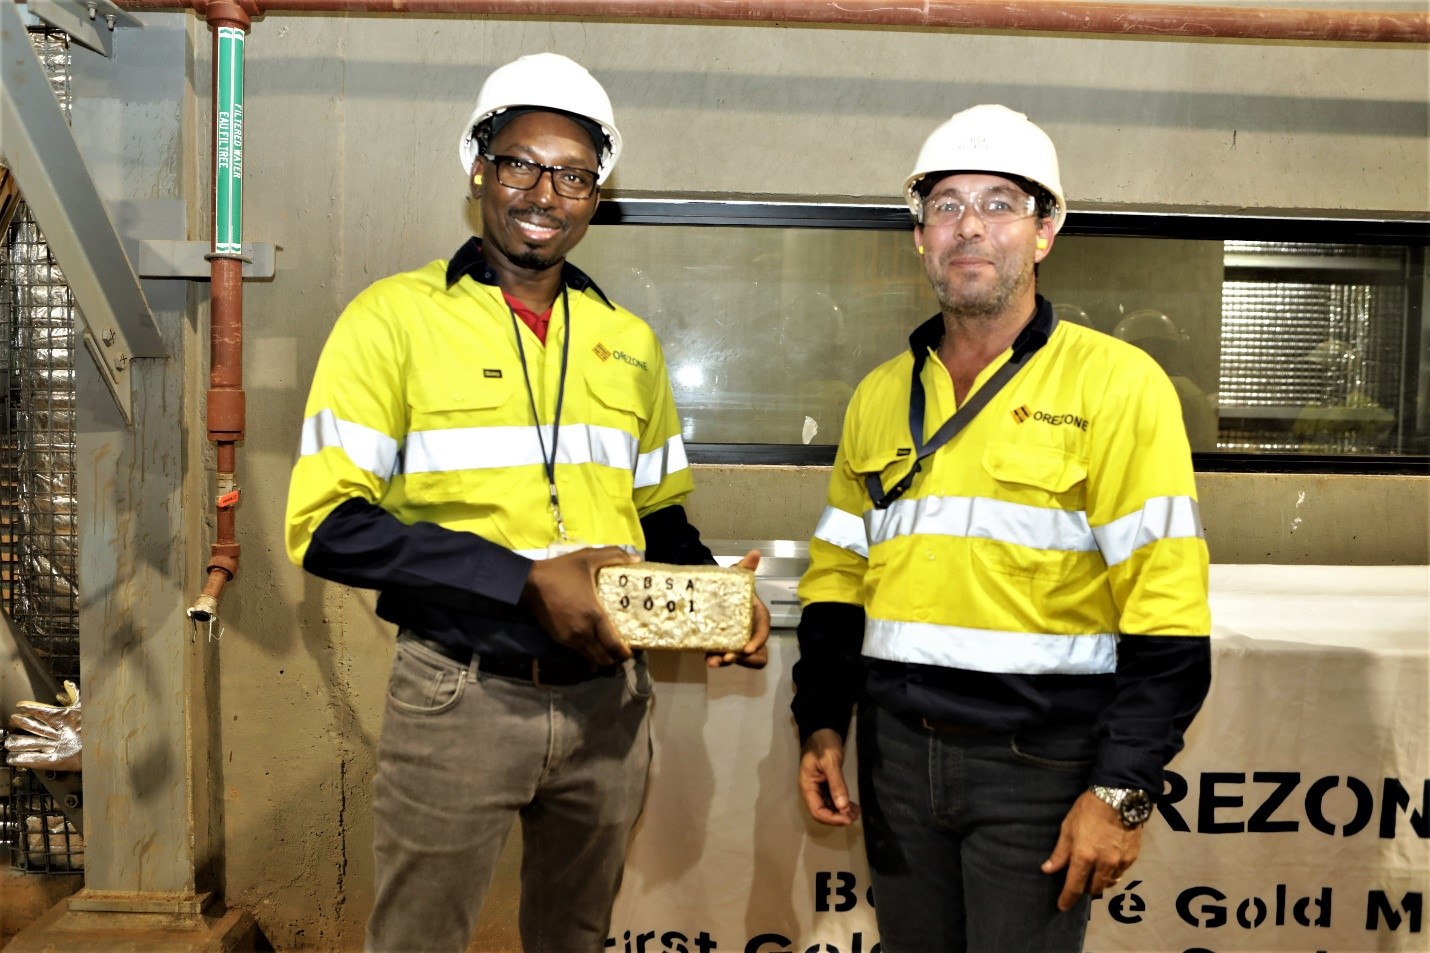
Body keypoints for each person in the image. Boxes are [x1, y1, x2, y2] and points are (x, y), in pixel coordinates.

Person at [285, 52, 769, 953]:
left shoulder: (627, 342)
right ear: (479, 168)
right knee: (418, 941)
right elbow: (329, 528)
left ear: (596, 195)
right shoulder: (392, 320)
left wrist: (714, 599)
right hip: (460, 694)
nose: (544, 192)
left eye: (574, 175)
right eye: (520, 163)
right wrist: (522, 580)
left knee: (576, 938)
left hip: (608, 707)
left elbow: (659, 517)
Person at [791, 104, 1211, 952]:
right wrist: (823, 720)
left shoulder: (1119, 386)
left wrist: (1122, 790)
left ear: (1045, 230)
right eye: (946, 205)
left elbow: (1167, 617)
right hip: (897, 761)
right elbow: (838, 577)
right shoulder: (880, 394)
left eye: (999, 203)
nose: (969, 227)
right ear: (920, 235)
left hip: (1042, 768)